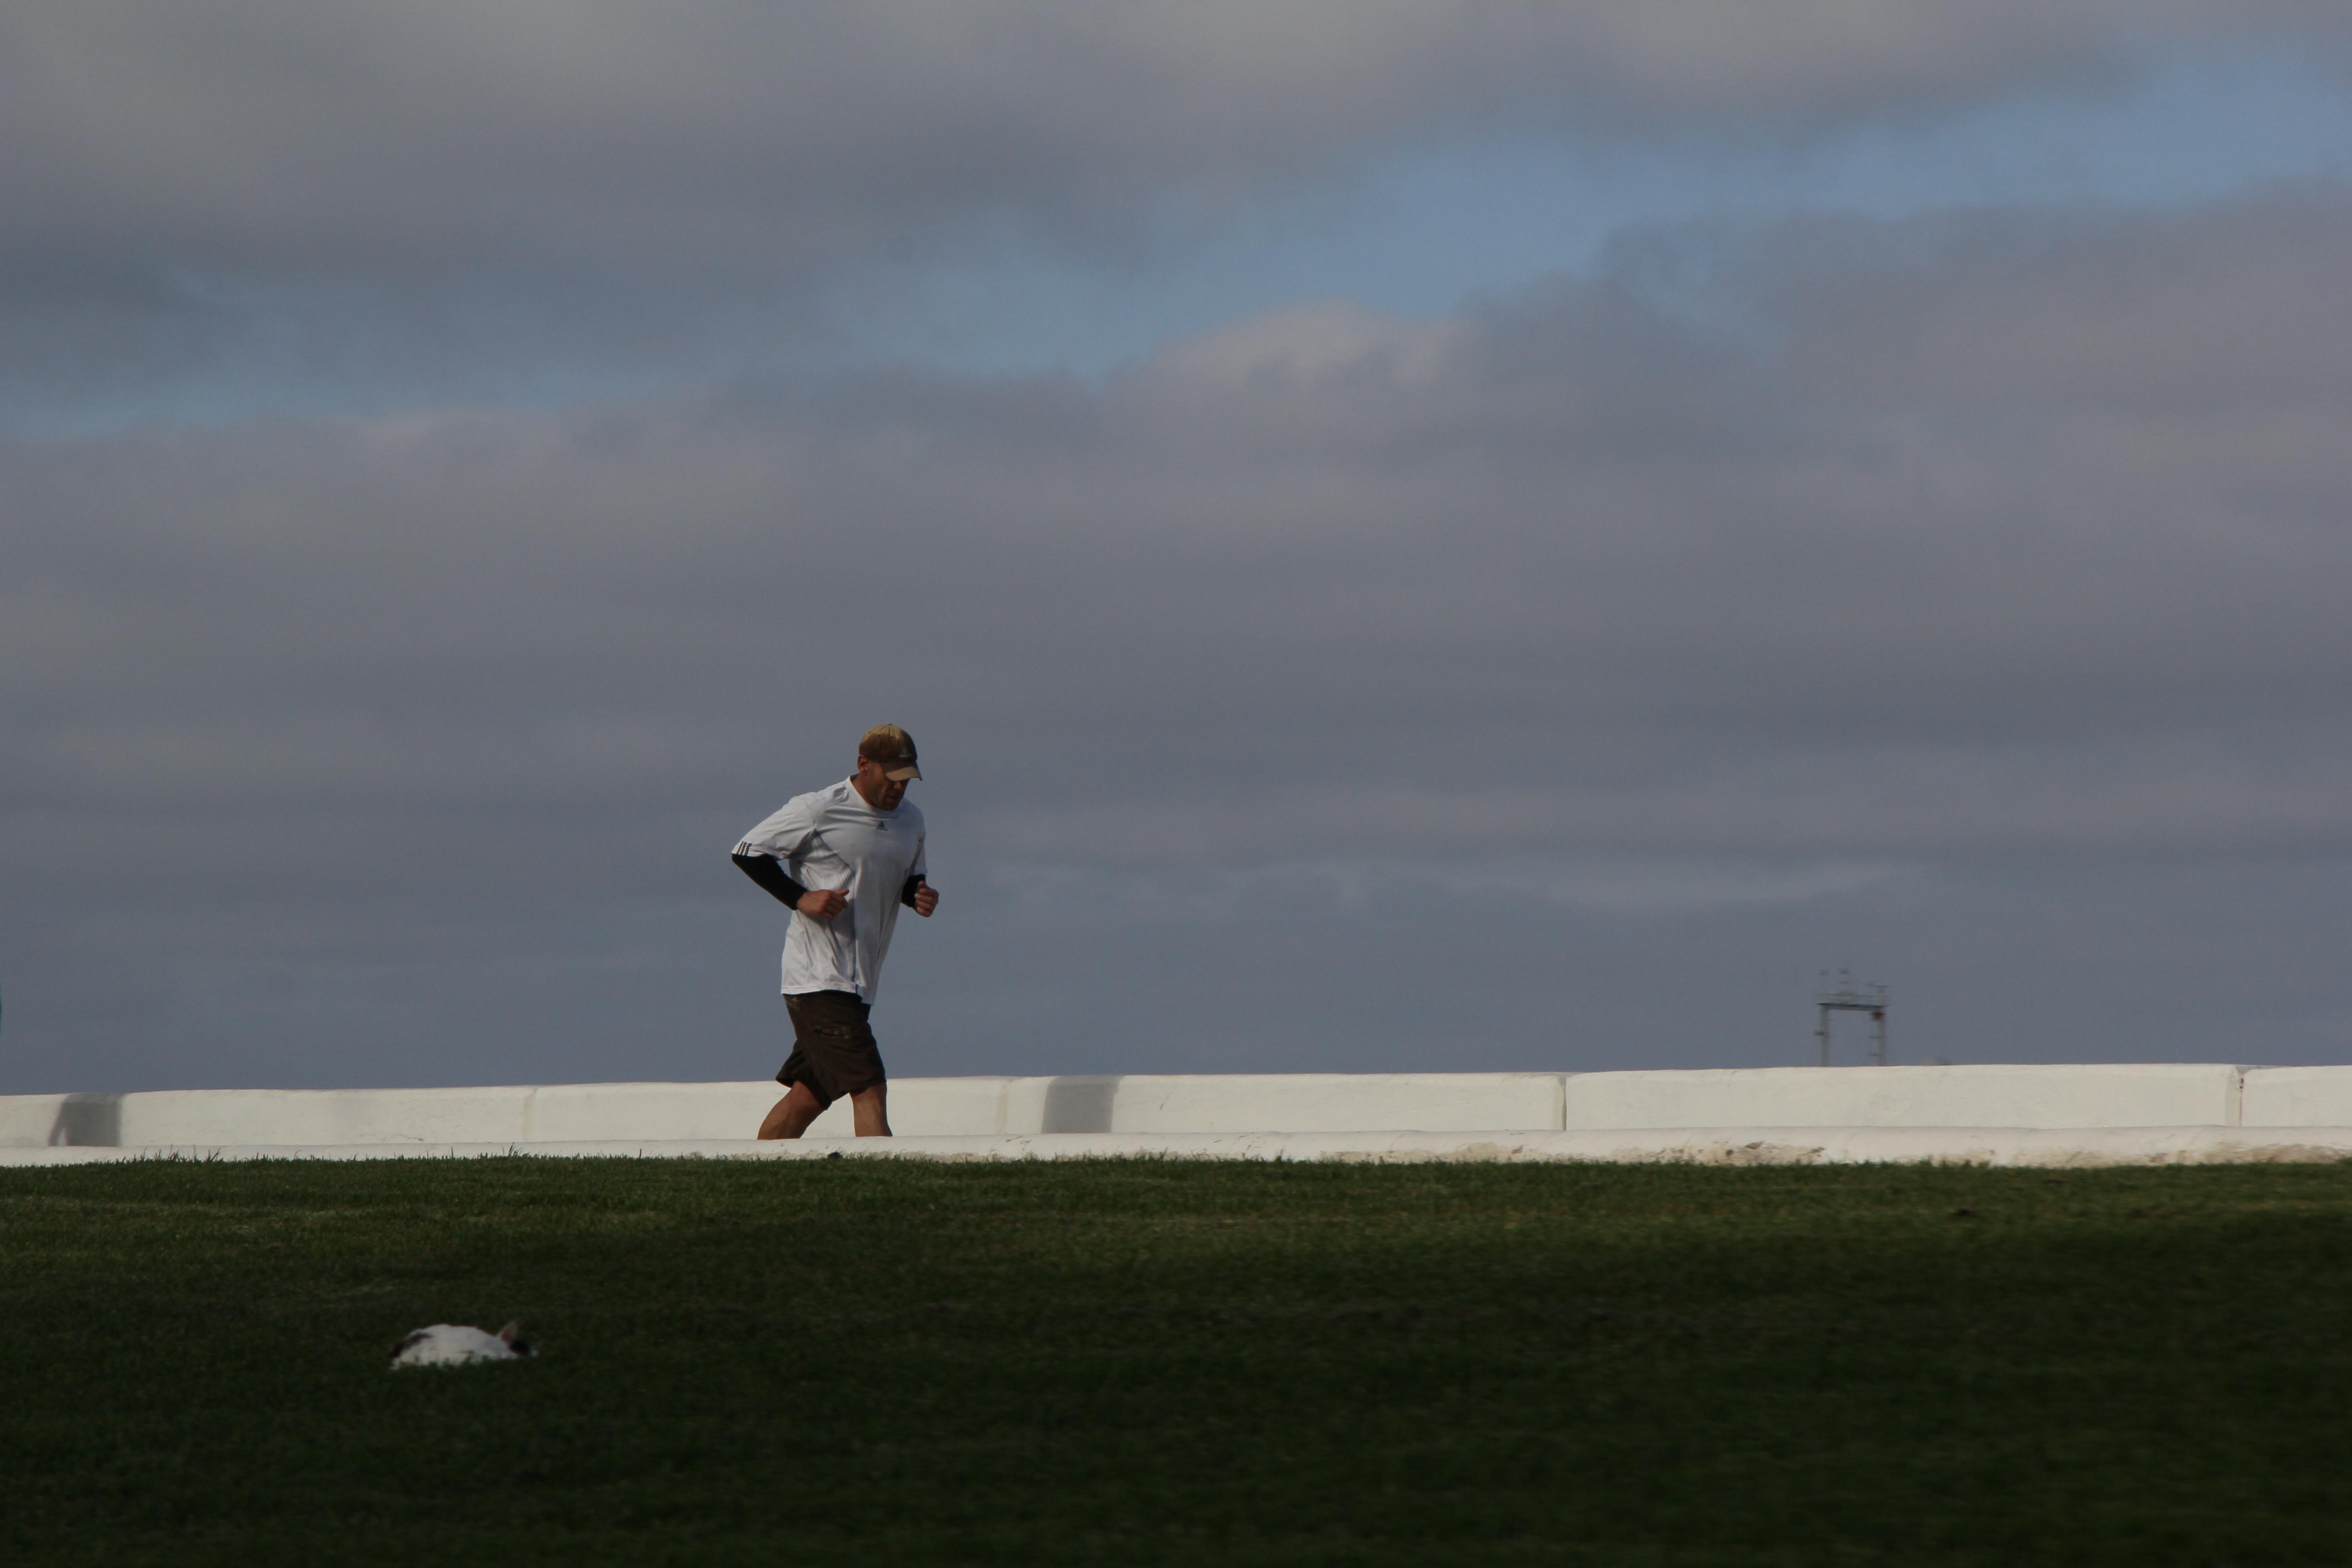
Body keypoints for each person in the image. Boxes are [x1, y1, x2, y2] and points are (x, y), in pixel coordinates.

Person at [731, 724, 940, 1139]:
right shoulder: (818, 808)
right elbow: (747, 851)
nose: (900, 788)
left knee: (808, 1096)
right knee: (869, 1086)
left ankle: (759, 1171)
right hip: (818, 979)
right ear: (865, 766)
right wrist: (801, 898)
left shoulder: (911, 821)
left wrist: (918, 895)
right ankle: (888, 1190)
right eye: (892, 777)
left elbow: (905, 879)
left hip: (861, 982)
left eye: (907, 779)